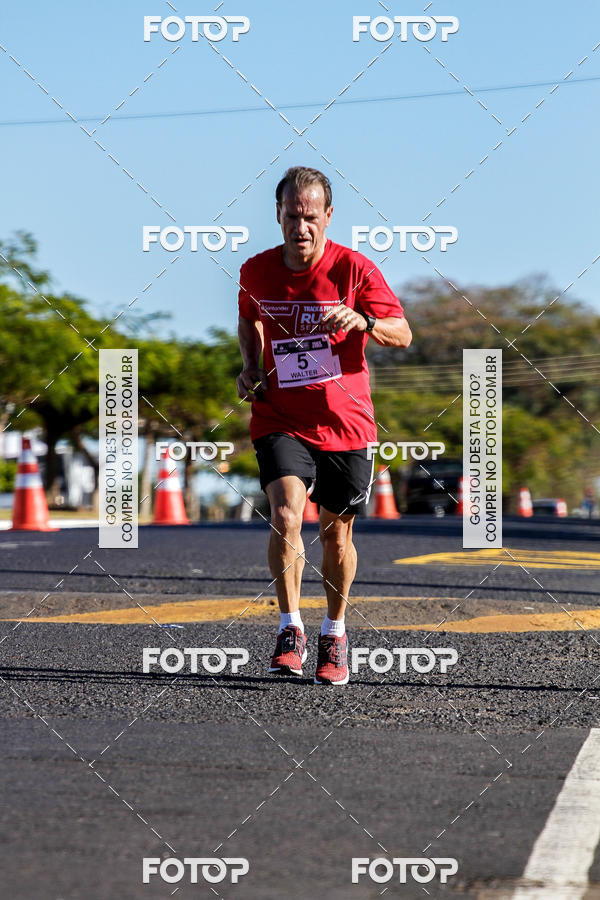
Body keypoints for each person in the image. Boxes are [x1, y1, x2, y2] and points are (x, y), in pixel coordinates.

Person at [236, 166, 412, 684]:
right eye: (293, 215)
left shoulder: (355, 270)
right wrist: (250, 364)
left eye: (311, 216)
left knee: (336, 536)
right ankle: (290, 627)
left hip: (345, 424)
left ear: (328, 217)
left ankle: (334, 633)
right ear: (278, 215)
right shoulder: (256, 271)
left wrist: (366, 322)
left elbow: (402, 332)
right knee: (287, 513)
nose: (302, 226)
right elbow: (250, 319)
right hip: (280, 416)